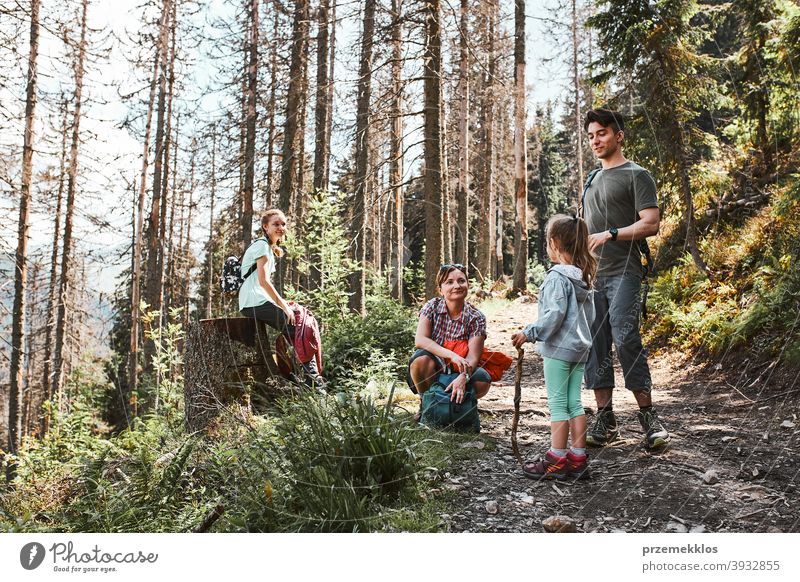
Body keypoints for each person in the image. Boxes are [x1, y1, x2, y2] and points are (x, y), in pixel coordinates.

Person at [581, 108, 669, 449]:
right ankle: (606, 419)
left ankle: (648, 417)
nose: (595, 141)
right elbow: (585, 229)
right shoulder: (591, 180)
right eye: (590, 136)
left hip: (625, 272)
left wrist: (611, 234)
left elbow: (651, 223)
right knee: (596, 344)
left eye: (601, 133)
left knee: (626, 335)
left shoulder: (637, 175)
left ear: (618, 135)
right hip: (593, 277)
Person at [512, 214, 596, 480]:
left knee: (559, 404)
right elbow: (589, 318)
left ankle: (556, 460)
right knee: (575, 403)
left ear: (554, 243)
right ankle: (578, 458)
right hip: (580, 349)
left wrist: (529, 333)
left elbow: (554, 315)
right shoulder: (583, 277)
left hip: (559, 350)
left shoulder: (557, 277)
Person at [239, 208, 322, 384]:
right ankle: (314, 383)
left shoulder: (269, 248)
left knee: (300, 322)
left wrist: (284, 302)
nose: (281, 227)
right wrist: (283, 306)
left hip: (257, 300)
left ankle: (301, 379)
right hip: (253, 301)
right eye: (276, 224)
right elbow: (263, 282)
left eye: (283, 224)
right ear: (265, 227)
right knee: (298, 329)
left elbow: (263, 283)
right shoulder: (261, 246)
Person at [407, 264, 492, 416]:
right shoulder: (431, 307)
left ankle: (460, 406)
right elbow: (420, 340)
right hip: (433, 367)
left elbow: (473, 357)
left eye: (461, 281)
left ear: (467, 284)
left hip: (461, 368)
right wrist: (451, 355)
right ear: (440, 289)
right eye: (449, 282)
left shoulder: (476, 317)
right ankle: (426, 405)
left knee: (482, 380)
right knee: (420, 361)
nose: (456, 286)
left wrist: (463, 377)